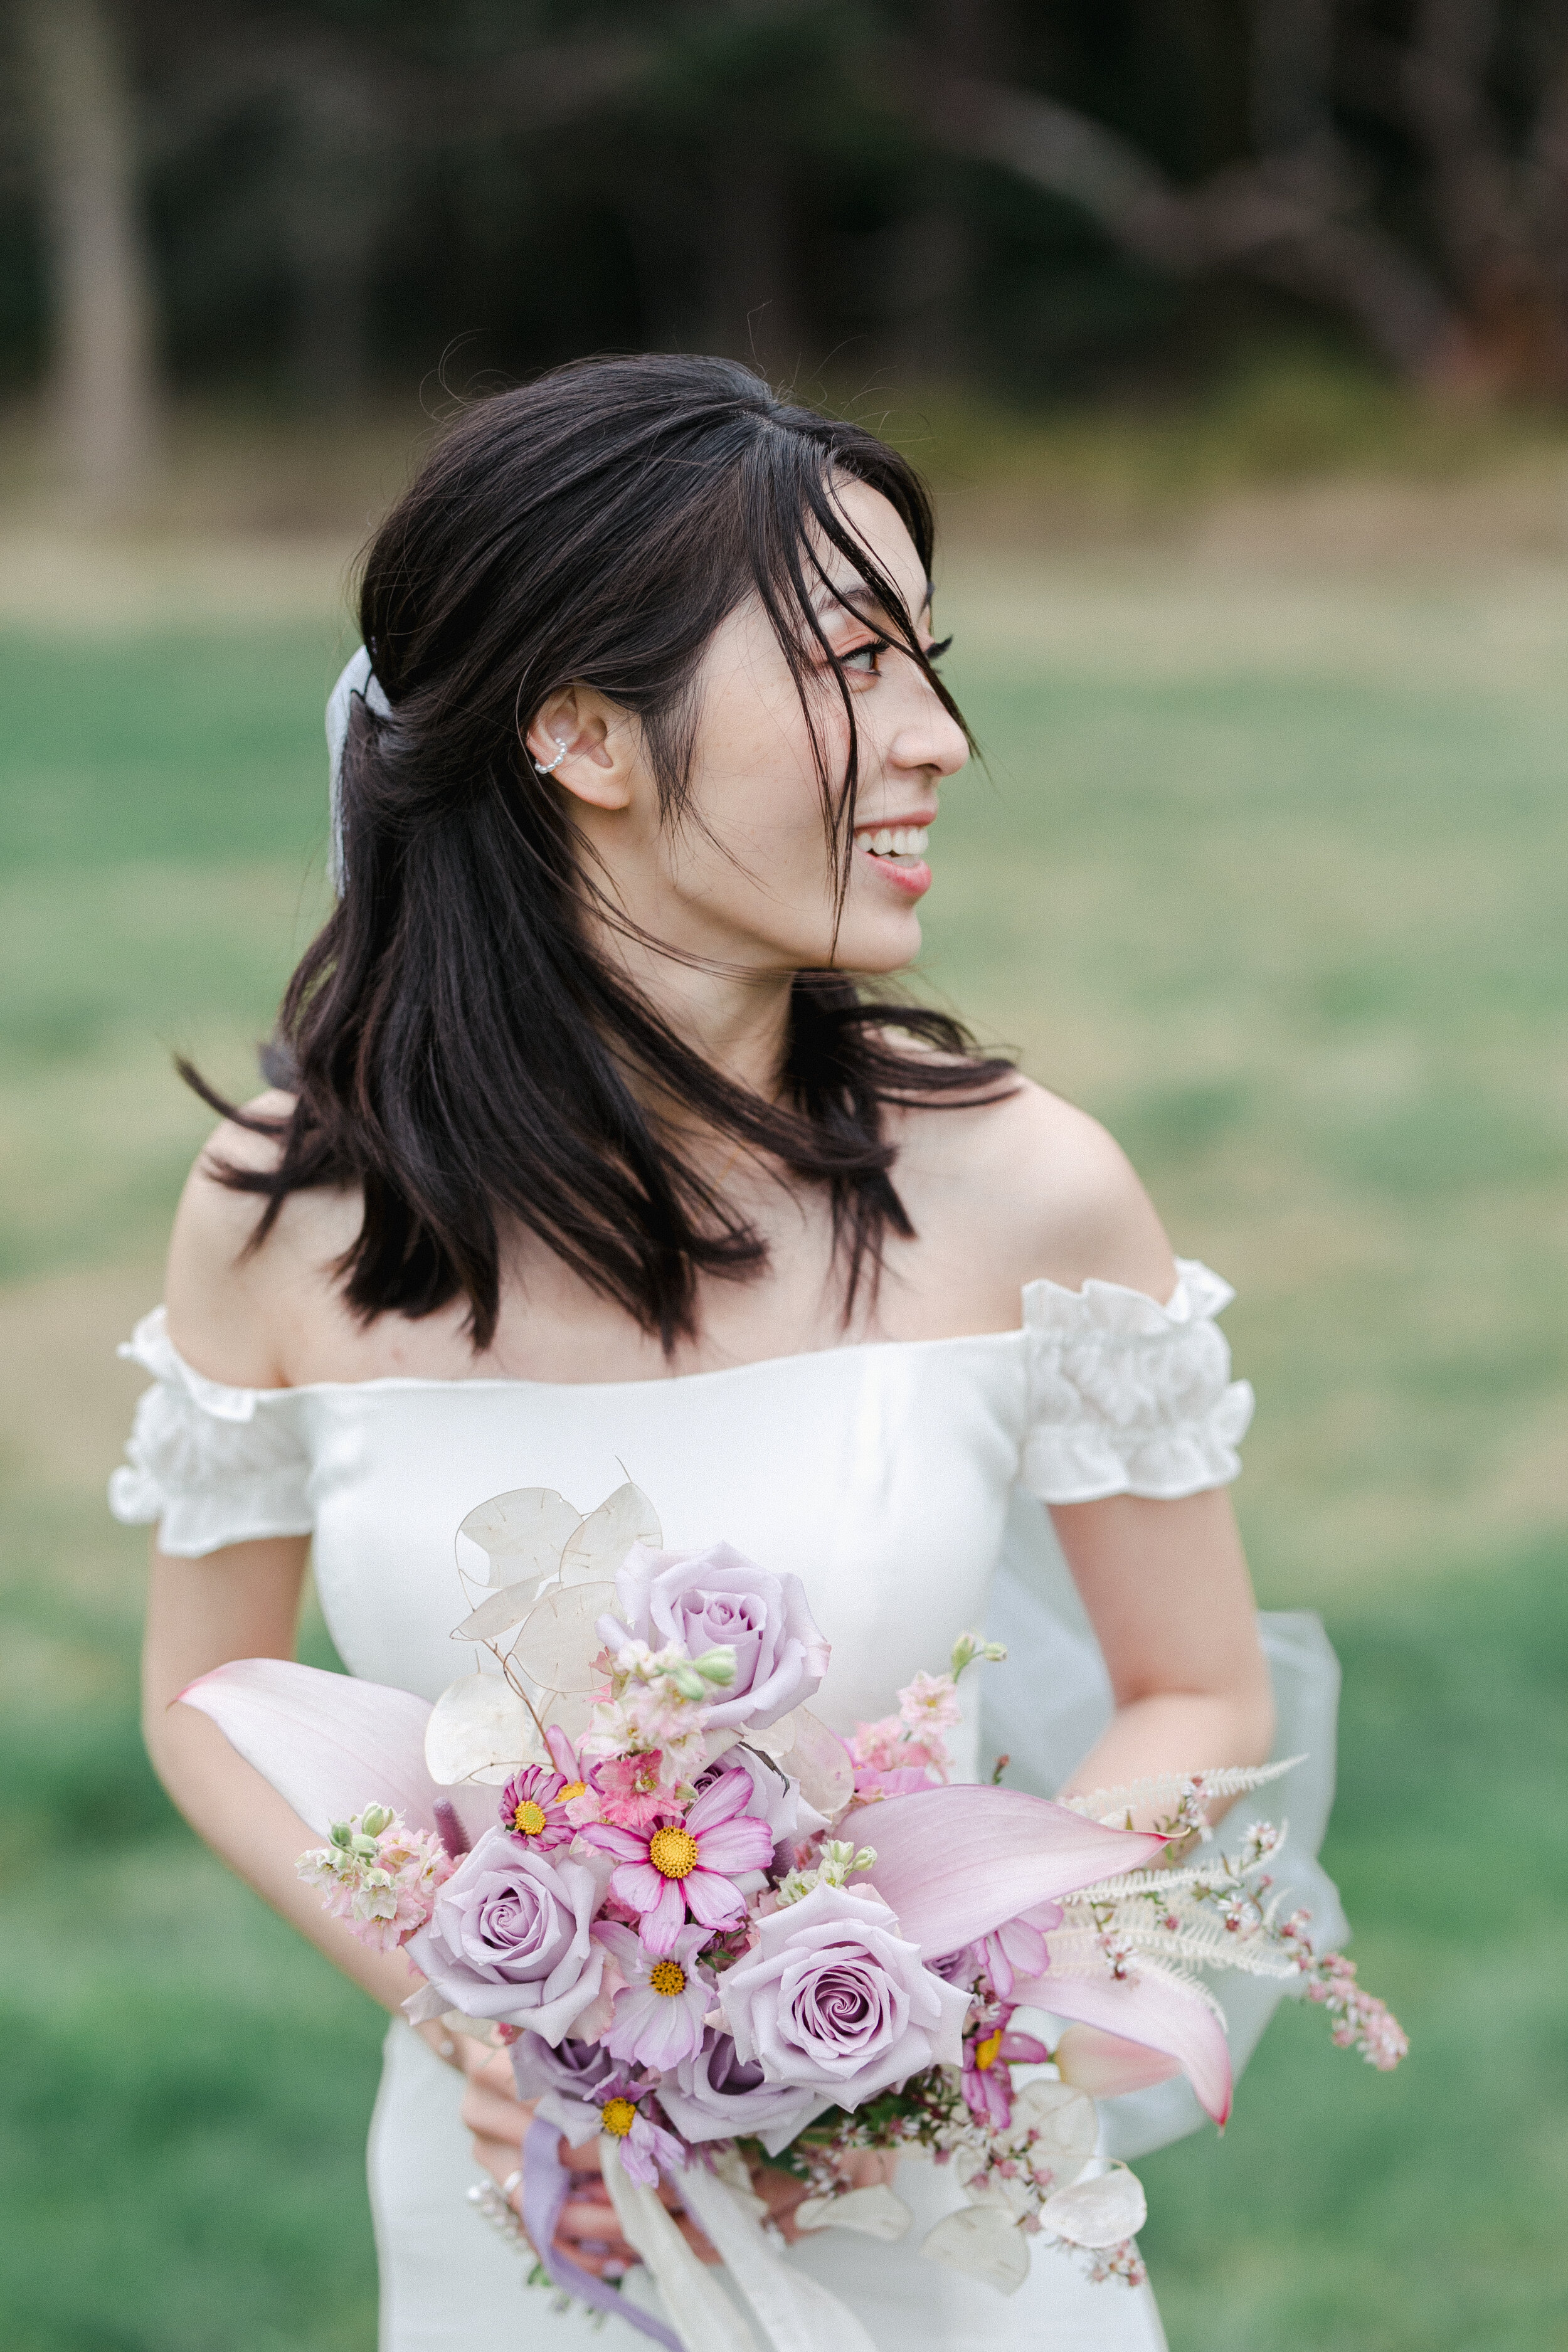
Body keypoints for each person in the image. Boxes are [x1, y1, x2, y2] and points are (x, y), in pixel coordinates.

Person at [119, 356, 1283, 2352]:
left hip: (929, 2203)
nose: (933, 739)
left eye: (926, 658)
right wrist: (478, 1994)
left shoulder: (1028, 1195)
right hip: (508, 2203)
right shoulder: (288, 1212)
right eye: (851, 663)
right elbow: (211, 1701)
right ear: (575, 726)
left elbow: (1195, 1685)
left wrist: (914, 2008)